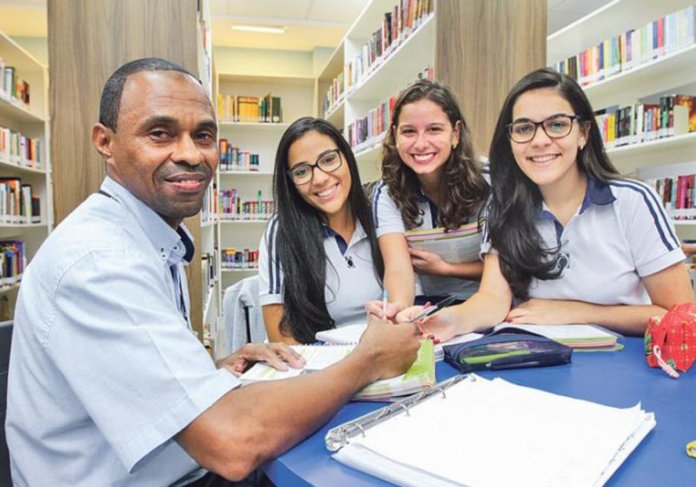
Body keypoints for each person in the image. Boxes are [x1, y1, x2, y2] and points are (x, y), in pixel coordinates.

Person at [5, 58, 421, 486]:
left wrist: (215, 371)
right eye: (159, 133)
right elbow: (231, 444)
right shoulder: (100, 261)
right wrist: (369, 359)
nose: (189, 154)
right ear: (105, 141)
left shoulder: (149, 238)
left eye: (203, 135)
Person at [397, 67, 693, 340]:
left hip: (625, 367)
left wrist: (577, 313)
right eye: (524, 129)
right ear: (510, 140)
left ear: (583, 133)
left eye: (557, 125)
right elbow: (492, 300)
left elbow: (683, 316)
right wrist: (449, 320)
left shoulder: (633, 202)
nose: (539, 140)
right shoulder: (503, 207)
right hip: (539, 360)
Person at [367, 79, 489, 319]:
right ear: (395, 135)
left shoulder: (490, 181)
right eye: (409, 131)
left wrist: (445, 269)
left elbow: (508, 268)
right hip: (431, 307)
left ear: (455, 134)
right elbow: (398, 269)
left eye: (434, 129)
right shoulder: (388, 192)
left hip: (488, 306)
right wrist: (398, 310)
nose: (421, 144)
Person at [259, 117, 384, 344]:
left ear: (347, 157)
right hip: (321, 364)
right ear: (291, 182)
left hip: (385, 352)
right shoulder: (282, 232)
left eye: (328, 160)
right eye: (301, 172)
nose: (319, 179)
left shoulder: (379, 215)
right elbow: (281, 337)